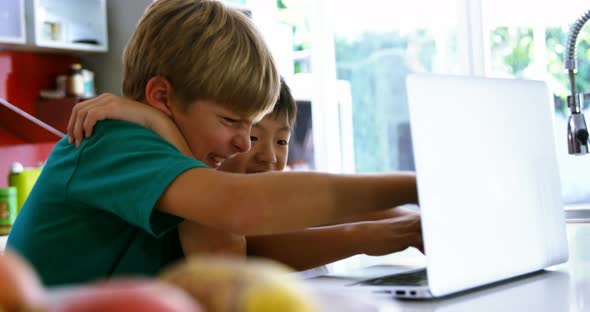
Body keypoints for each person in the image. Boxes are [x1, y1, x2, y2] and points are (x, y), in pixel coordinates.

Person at [7, 0, 419, 286]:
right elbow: (242, 207)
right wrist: (420, 183)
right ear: (163, 97)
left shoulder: (167, 154)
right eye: (229, 121)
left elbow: (224, 261)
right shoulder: (111, 141)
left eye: (251, 124)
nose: (244, 143)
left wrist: (395, 229)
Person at [67, 79, 423, 271]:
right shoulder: (117, 144)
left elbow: (346, 209)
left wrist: (410, 224)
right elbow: (241, 250)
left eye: (282, 140)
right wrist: (416, 190)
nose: (267, 155)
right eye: (246, 132)